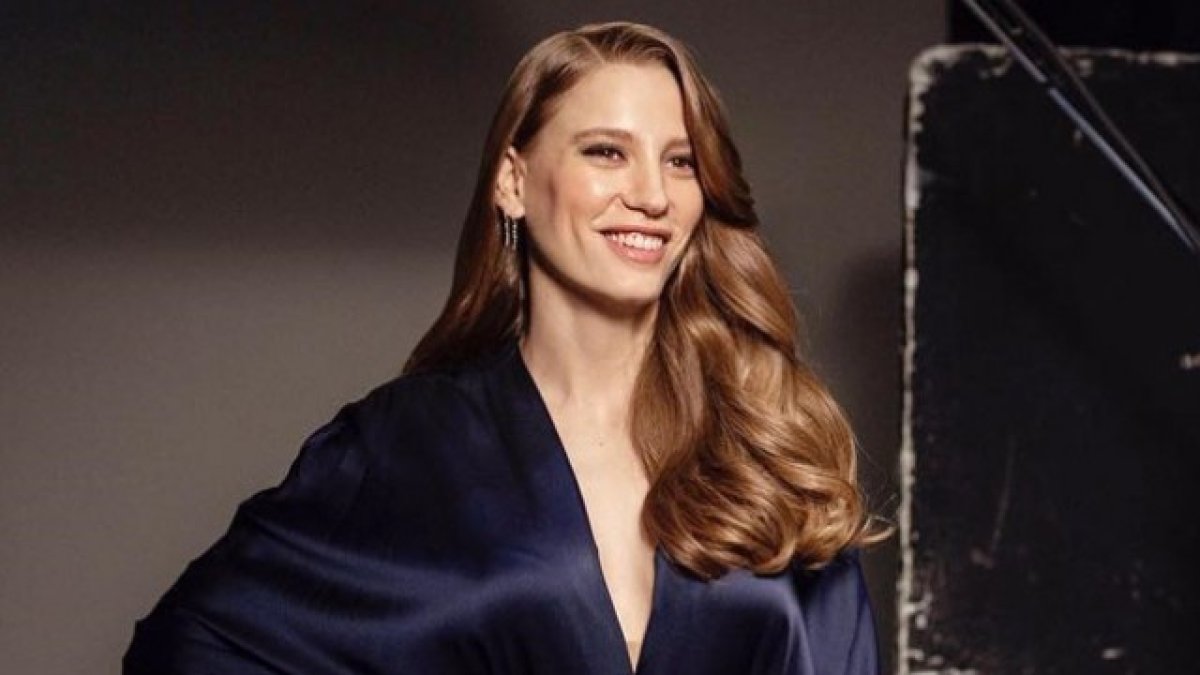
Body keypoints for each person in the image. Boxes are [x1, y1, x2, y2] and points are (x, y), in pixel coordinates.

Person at [124, 21, 887, 675]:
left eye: (680, 161)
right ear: (514, 182)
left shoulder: (762, 439)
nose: (652, 195)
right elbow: (190, 647)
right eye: (606, 152)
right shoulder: (404, 445)